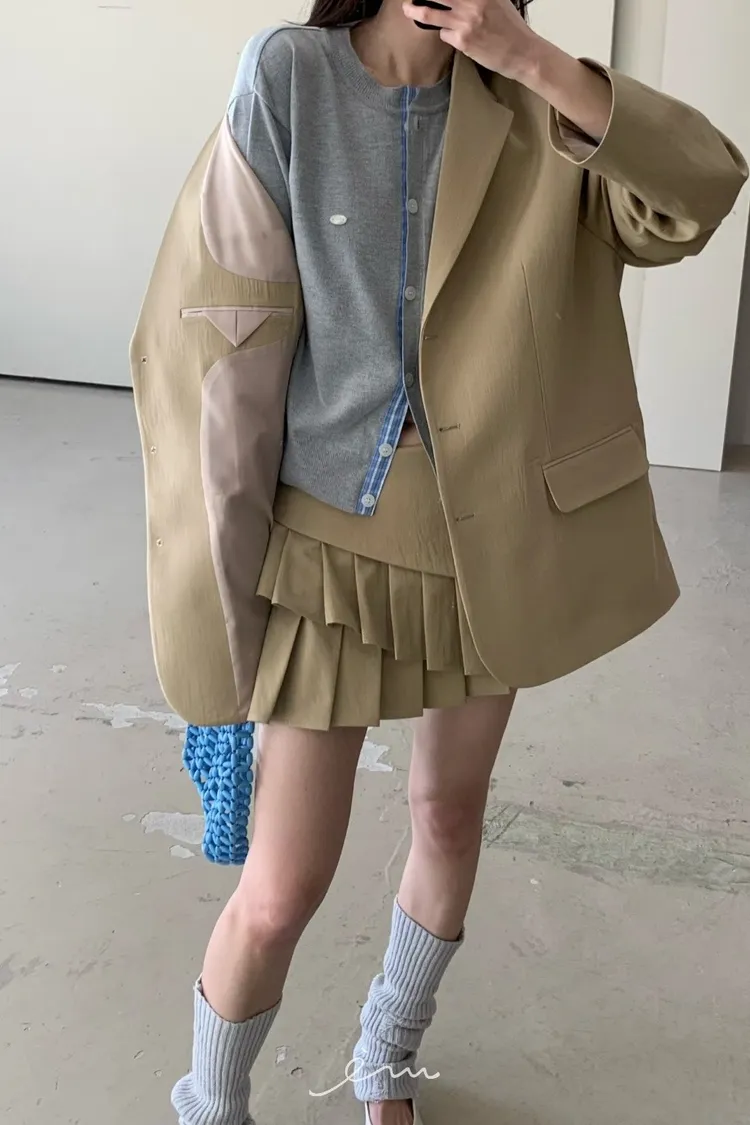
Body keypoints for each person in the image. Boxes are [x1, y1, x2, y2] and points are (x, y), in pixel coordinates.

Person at [132, 1, 747, 1123]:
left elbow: (697, 194)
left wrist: (533, 60)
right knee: (279, 890)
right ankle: (209, 1105)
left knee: (449, 814)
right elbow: (222, 319)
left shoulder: (537, 98)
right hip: (326, 542)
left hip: (484, 538)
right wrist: (217, 581)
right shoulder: (291, 75)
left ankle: (390, 1052)